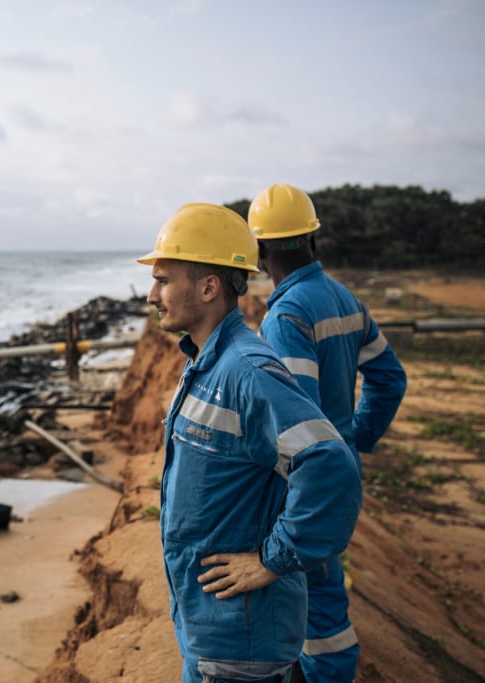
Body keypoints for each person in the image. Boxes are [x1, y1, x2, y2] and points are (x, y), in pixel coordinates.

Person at [138, 202, 363, 683]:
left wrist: (271, 559)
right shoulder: (204, 365)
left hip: (239, 647)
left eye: (162, 280)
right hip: (209, 629)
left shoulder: (247, 371)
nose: (151, 295)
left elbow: (330, 462)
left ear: (208, 286)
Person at [249, 184, 407, 683]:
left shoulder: (287, 315)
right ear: (313, 238)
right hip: (336, 465)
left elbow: (298, 422)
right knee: (318, 592)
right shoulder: (344, 299)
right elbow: (389, 378)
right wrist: (357, 437)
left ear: (259, 252)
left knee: (319, 607)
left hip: (311, 480)